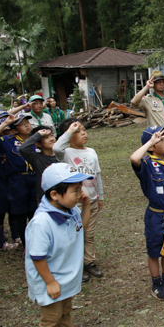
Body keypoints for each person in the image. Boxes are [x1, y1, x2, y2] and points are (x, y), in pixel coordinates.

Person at [25, 163, 93, 327]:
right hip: (51, 279)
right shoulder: (42, 222)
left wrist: (85, 207)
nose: (80, 194)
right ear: (54, 195)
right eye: (76, 190)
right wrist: (50, 282)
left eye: (80, 189)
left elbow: (82, 229)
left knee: (65, 312)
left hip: (66, 277)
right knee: (51, 318)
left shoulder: (71, 211)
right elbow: (37, 257)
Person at [130, 124, 164, 300]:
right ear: (152, 146)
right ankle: (156, 283)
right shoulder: (146, 164)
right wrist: (150, 143)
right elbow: (134, 158)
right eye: (161, 140)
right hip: (156, 215)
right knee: (155, 250)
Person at [54, 119, 104, 281]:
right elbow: (56, 147)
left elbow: (97, 175)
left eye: (83, 130)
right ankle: (75, 266)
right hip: (73, 203)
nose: (83, 133)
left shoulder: (92, 151)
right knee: (73, 234)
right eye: (77, 131)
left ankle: (89, 262)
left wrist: (100, 196)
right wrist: (68, 131)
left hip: (90, 201)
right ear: (68, 136)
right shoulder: (66, 153)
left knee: (89, 233)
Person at [0, 114, 35, 248]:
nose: (27, 125)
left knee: (31, 211)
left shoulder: (35, 139)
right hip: (10, 181)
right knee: (10, 210)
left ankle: (25, 238)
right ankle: (3, 240)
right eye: (22, 124)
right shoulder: (7, 141)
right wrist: (4, 124)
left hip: (32, 179)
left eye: (28, 122)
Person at [131, 70, 164, 157]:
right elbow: (134, 102)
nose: (161, 84)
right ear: (153, 84)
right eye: (158, 82)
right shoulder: (148, 100)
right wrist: (147, 87)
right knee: (160, 160)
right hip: (159, 136)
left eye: (163, 82)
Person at [19, 126, 59, 204]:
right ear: (37, 144)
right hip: (45, 198)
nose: (51, 139)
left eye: (51, 135)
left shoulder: (61, 155)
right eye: (46, 137)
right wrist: (38, 135)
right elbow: (23, 149)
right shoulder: (36, 158)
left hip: (63, 195)